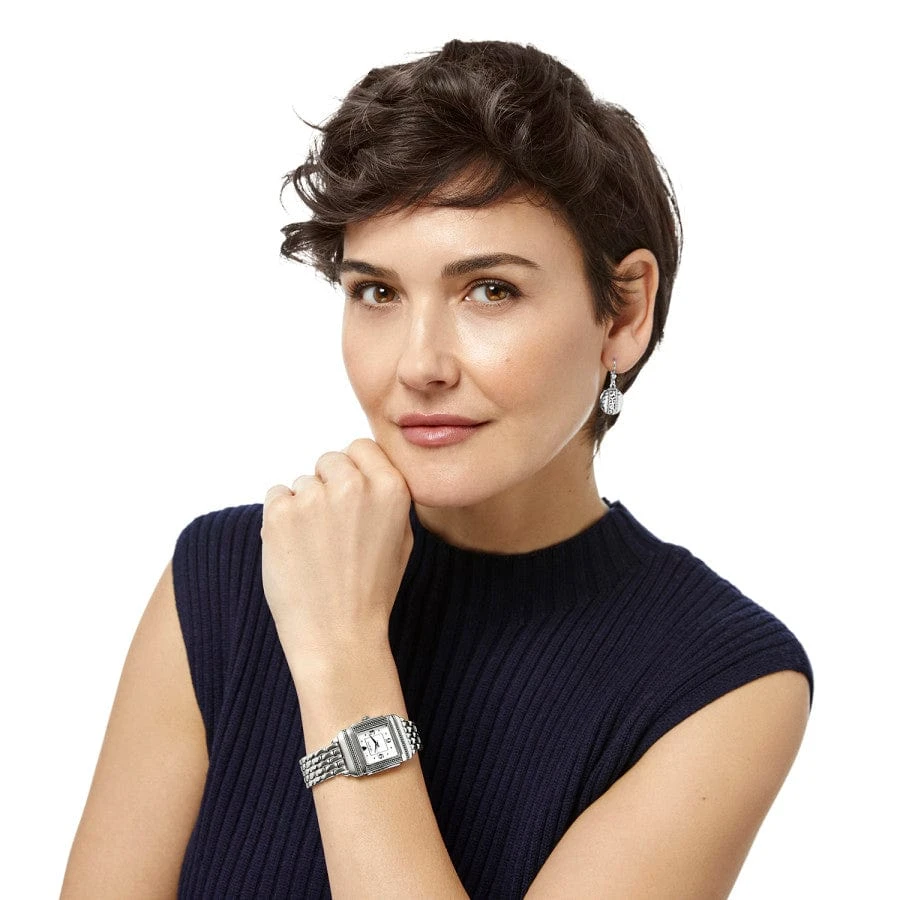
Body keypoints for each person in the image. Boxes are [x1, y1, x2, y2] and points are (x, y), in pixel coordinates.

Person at [62, 38, 814, 899]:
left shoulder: (721, 680)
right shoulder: (226, 576)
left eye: (490, 289)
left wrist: (342, 654)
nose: (419, 365)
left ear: (623, 314)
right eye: (377, 292)